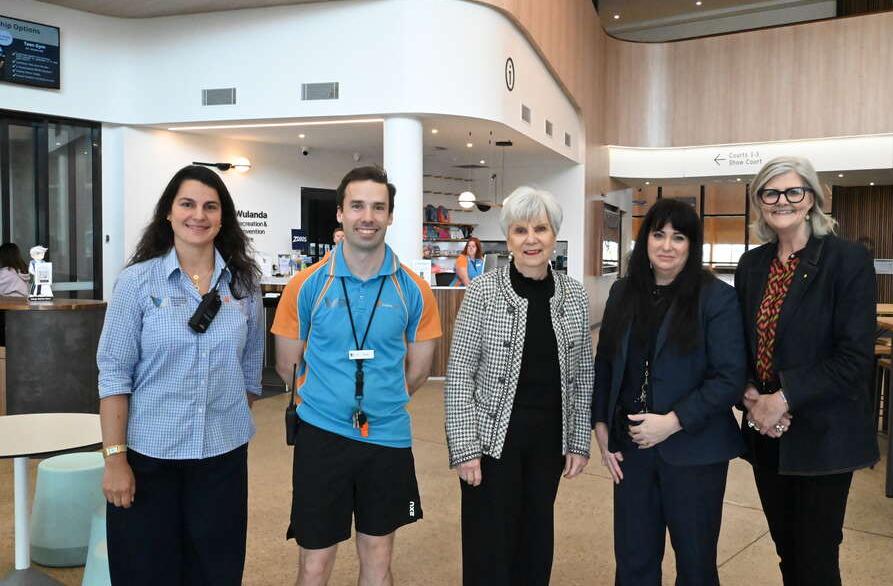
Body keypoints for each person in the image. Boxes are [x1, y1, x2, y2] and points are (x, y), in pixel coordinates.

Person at [272, 166, 441, 586]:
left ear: (389, 216)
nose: (368, 216)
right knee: (315, 561)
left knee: (379, 557)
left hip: (387, 438)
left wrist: (380, 400)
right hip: (321, 436)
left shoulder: (414, 290)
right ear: (340, 214)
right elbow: (287, 365)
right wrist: (330, 400)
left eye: (378, 207)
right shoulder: (306, 285)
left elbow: (419, 370)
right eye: (358, 206)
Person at [96, 165, 264, 585]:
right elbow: (114, 374)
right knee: (146, 570)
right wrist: (116, 460)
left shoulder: (244, 286)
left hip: (222, 460)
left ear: (223, 217)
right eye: (187, 204)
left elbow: (249, 373)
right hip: (149, 458)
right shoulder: (136, 282)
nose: (199, 215)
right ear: (168, 213)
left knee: (216, 570)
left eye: (211, 206)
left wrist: (220, 420)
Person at [735, 156, 878, 586]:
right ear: (759, 201)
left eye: (793, 191)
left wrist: (783, 398)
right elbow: (740, 345)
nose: (782, 201)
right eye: (771, 192)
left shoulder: (846, 260)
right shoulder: (751, 265)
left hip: (824, 437)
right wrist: (750, 396)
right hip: (766, 436)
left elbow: (853, 359)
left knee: (816, 560)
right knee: (787, 552)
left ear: (812, 198)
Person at [445, 185, 593, 586]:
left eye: (540, 229)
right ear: (508, 238)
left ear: (553, 235)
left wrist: (578, 441)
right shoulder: (482, 292)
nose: (531, 240)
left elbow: (582, 376)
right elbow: (459, 374)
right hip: (492, 441)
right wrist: (464, 448)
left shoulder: (574, 294)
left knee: (535, 537)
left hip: (547, 441)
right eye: (520, 230)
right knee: (489, 543)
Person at [593, 198, 745, 586]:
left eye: (679, 237)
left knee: (695, 564)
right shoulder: (623, 292)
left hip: (696, 450)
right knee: (633, 560)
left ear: (692, 245)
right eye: (658, 234)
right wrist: (600, 425)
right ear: (645, 240)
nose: (667, 245)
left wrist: (673, 422)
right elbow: (607, 364)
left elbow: (728, 378)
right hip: (632, 449)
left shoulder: (717, 298)